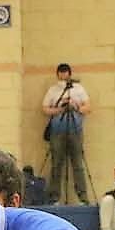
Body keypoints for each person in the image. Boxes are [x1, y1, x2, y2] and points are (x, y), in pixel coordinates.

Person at [42, 63, 91, 204]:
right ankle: (54, 197)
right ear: (57, 74)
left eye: (66, 72)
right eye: (61, 72)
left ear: (70, 73)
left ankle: (83, 197)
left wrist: (75, 105)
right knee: (56, 164)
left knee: (78, 164)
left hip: (75, 130)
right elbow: (44, 108)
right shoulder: (53, 90)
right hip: (57, 131)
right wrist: (59, 109)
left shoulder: (78, 89)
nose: (63, 75)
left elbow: (88, 107)